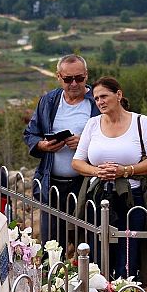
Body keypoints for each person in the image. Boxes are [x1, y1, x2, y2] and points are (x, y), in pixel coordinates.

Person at [72, 76, 147, 283]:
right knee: (97, 250)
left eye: (104, 96)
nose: (100, 102)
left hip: (133, 197)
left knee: (128, 252)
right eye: (96, 99)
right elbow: (77, 162)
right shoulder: (93, 124)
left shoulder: (141, 122)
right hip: (97, 197)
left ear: (119, 95)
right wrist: (97, 172)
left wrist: (125, 171)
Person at [24, 54, 94, 245]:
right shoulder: (48, 101)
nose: (74, 83)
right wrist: (43, 145)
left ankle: (91, 275)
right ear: (58, 77)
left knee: (89, 241)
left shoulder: (97, 102)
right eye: (68, 79)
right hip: (52, 184)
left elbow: (114, 137)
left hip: (86, 186)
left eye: (79, 78)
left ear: (86, 76)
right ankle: (54, 274)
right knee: (52, 244)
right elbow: (30, 133)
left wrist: (85, 144)